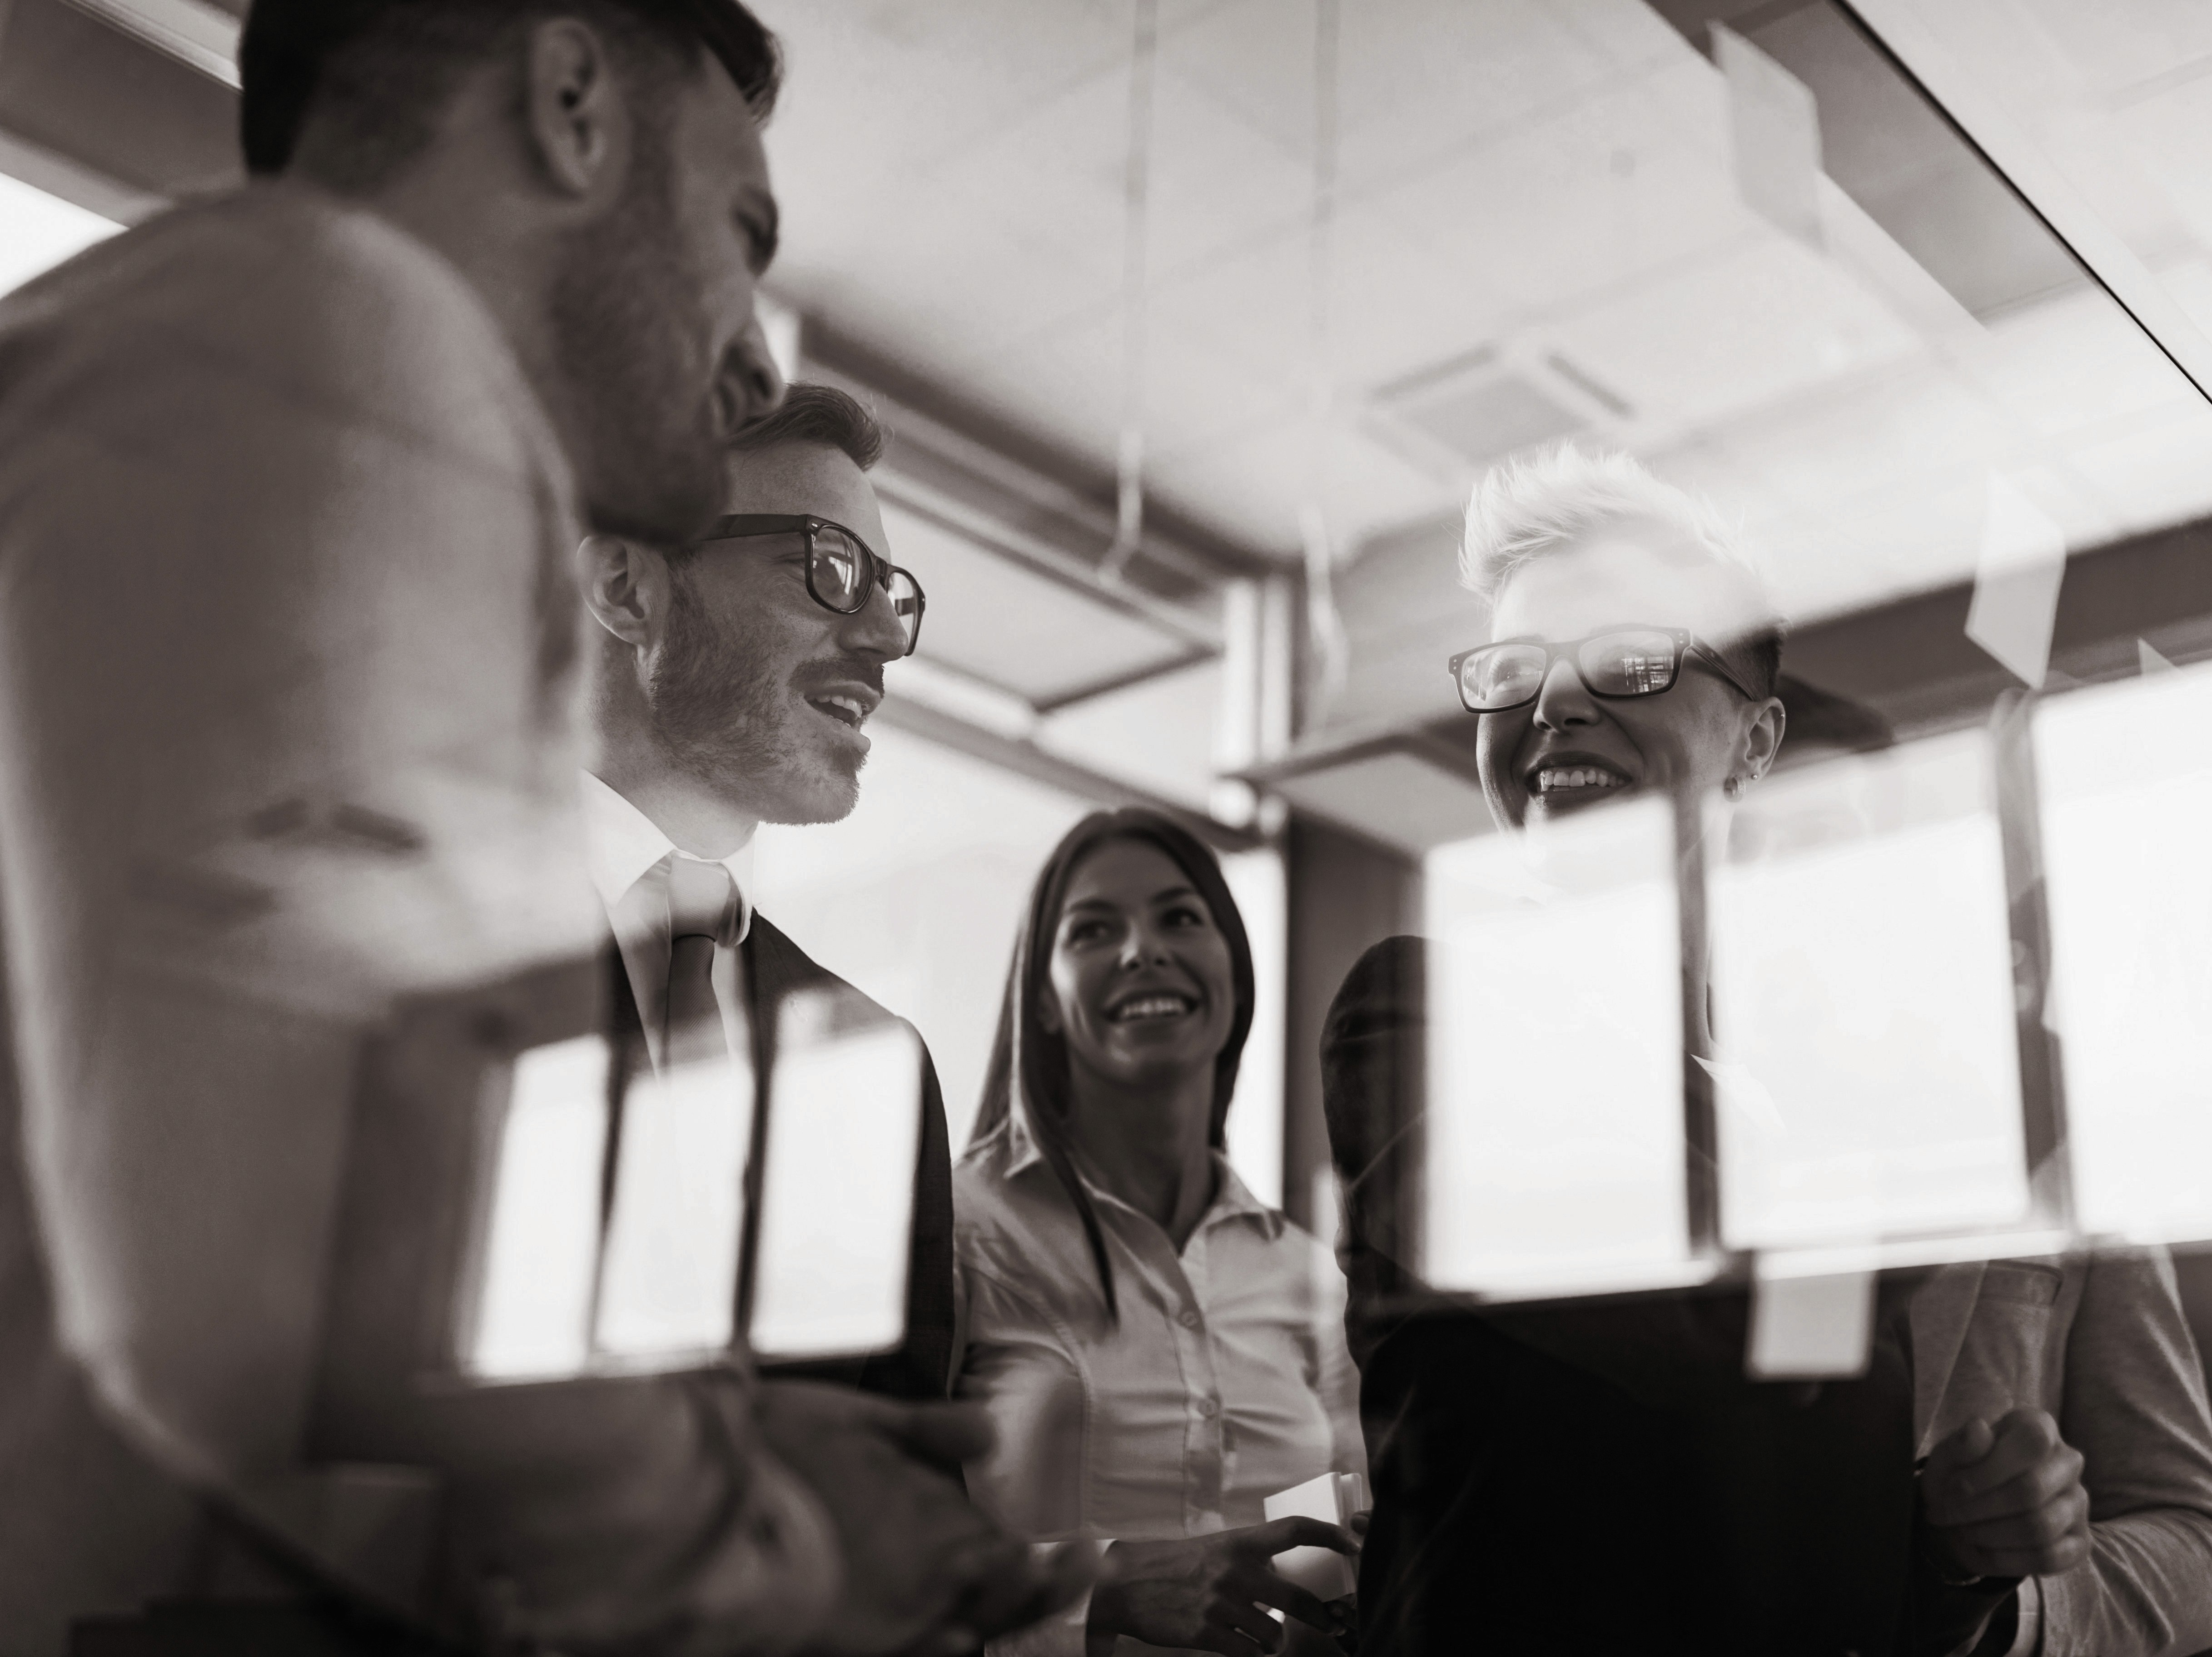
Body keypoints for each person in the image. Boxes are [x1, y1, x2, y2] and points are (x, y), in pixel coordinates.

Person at [0, 4, 1061, 1650]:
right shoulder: (323, 356)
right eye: (741, 230)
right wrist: (776, 1544)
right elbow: (231, 1317)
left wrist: (720, 1448)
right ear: (570, 106)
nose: (756, 357)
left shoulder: (207, 377)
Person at [1321, 445, 2212, 1657]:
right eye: (1512, 669)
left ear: (1753, 744)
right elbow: (1707, 1328)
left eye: (1625, 655)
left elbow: (1809, 1545)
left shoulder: (1786, 1120)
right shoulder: (1424, 1017)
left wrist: (1965, 1562)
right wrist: (2034, 1071)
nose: (1551, 700)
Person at [567, 380, 1088, 1651]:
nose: (884, 640)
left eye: (891, 596)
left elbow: (895, 1513)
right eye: (829, 566)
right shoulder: (383, 935)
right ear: (629, 587)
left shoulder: (876, 1059)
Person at [958, 809, 1365, 1657]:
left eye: (1180, 917)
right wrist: (1099, 1591)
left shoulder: (1305, 1272)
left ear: (1234, 973)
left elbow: (1360, 1545)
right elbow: (855, 1556)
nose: (1143, 949)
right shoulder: (959, 1230)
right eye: (1093, 930)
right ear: (1042, 993)